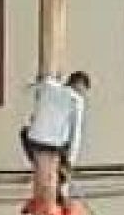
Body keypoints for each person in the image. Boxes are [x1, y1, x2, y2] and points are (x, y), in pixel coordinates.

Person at [21, 70, 91, 204]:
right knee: (58, 171)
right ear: (79, 85)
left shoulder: (49, 85)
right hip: (54, 145)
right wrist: (70, 161)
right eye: (83, 90)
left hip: (34, 139)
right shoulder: (76, 100)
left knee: (25, 134)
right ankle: (57, 196)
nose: (83, 94)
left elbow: (31, 86)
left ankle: (43, 191)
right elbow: (75, 134)